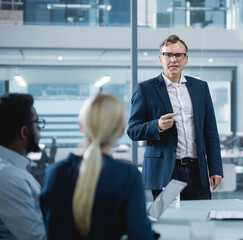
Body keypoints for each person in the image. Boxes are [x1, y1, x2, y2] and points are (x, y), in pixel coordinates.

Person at [40, 93, 155, 240]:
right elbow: (140, 236)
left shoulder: (54, 173)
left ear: (80, 125)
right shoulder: (128, 177)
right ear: (121, 131)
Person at [127, 34, 223, 200]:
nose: (174, 59)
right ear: (160, 59)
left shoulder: (200, 87)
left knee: (199, 217)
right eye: (168, 55)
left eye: (178, 55)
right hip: (166, 172)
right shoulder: (145, 89)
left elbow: (211, 132)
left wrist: (215, 168)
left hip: (196, 171)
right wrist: (157, 125)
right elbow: (133, 130)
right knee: (167, 219)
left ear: (185, 59)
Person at [0, 93, 46, 240]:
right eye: (36, 122)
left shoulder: (14, 170)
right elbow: (35, 237)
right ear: (24, 131)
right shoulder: (9, 177)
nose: (40, 128)